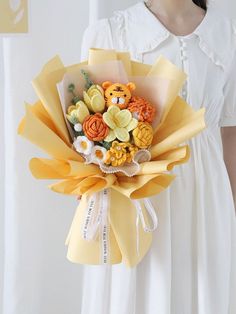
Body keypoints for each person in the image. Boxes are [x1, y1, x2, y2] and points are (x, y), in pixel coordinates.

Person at [79, 1, 236, 313]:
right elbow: (87, 140)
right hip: (137, 199)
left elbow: (230, 132)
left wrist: (230, 214)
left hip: (207, 202)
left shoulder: (227, 31)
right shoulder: (110, 33)